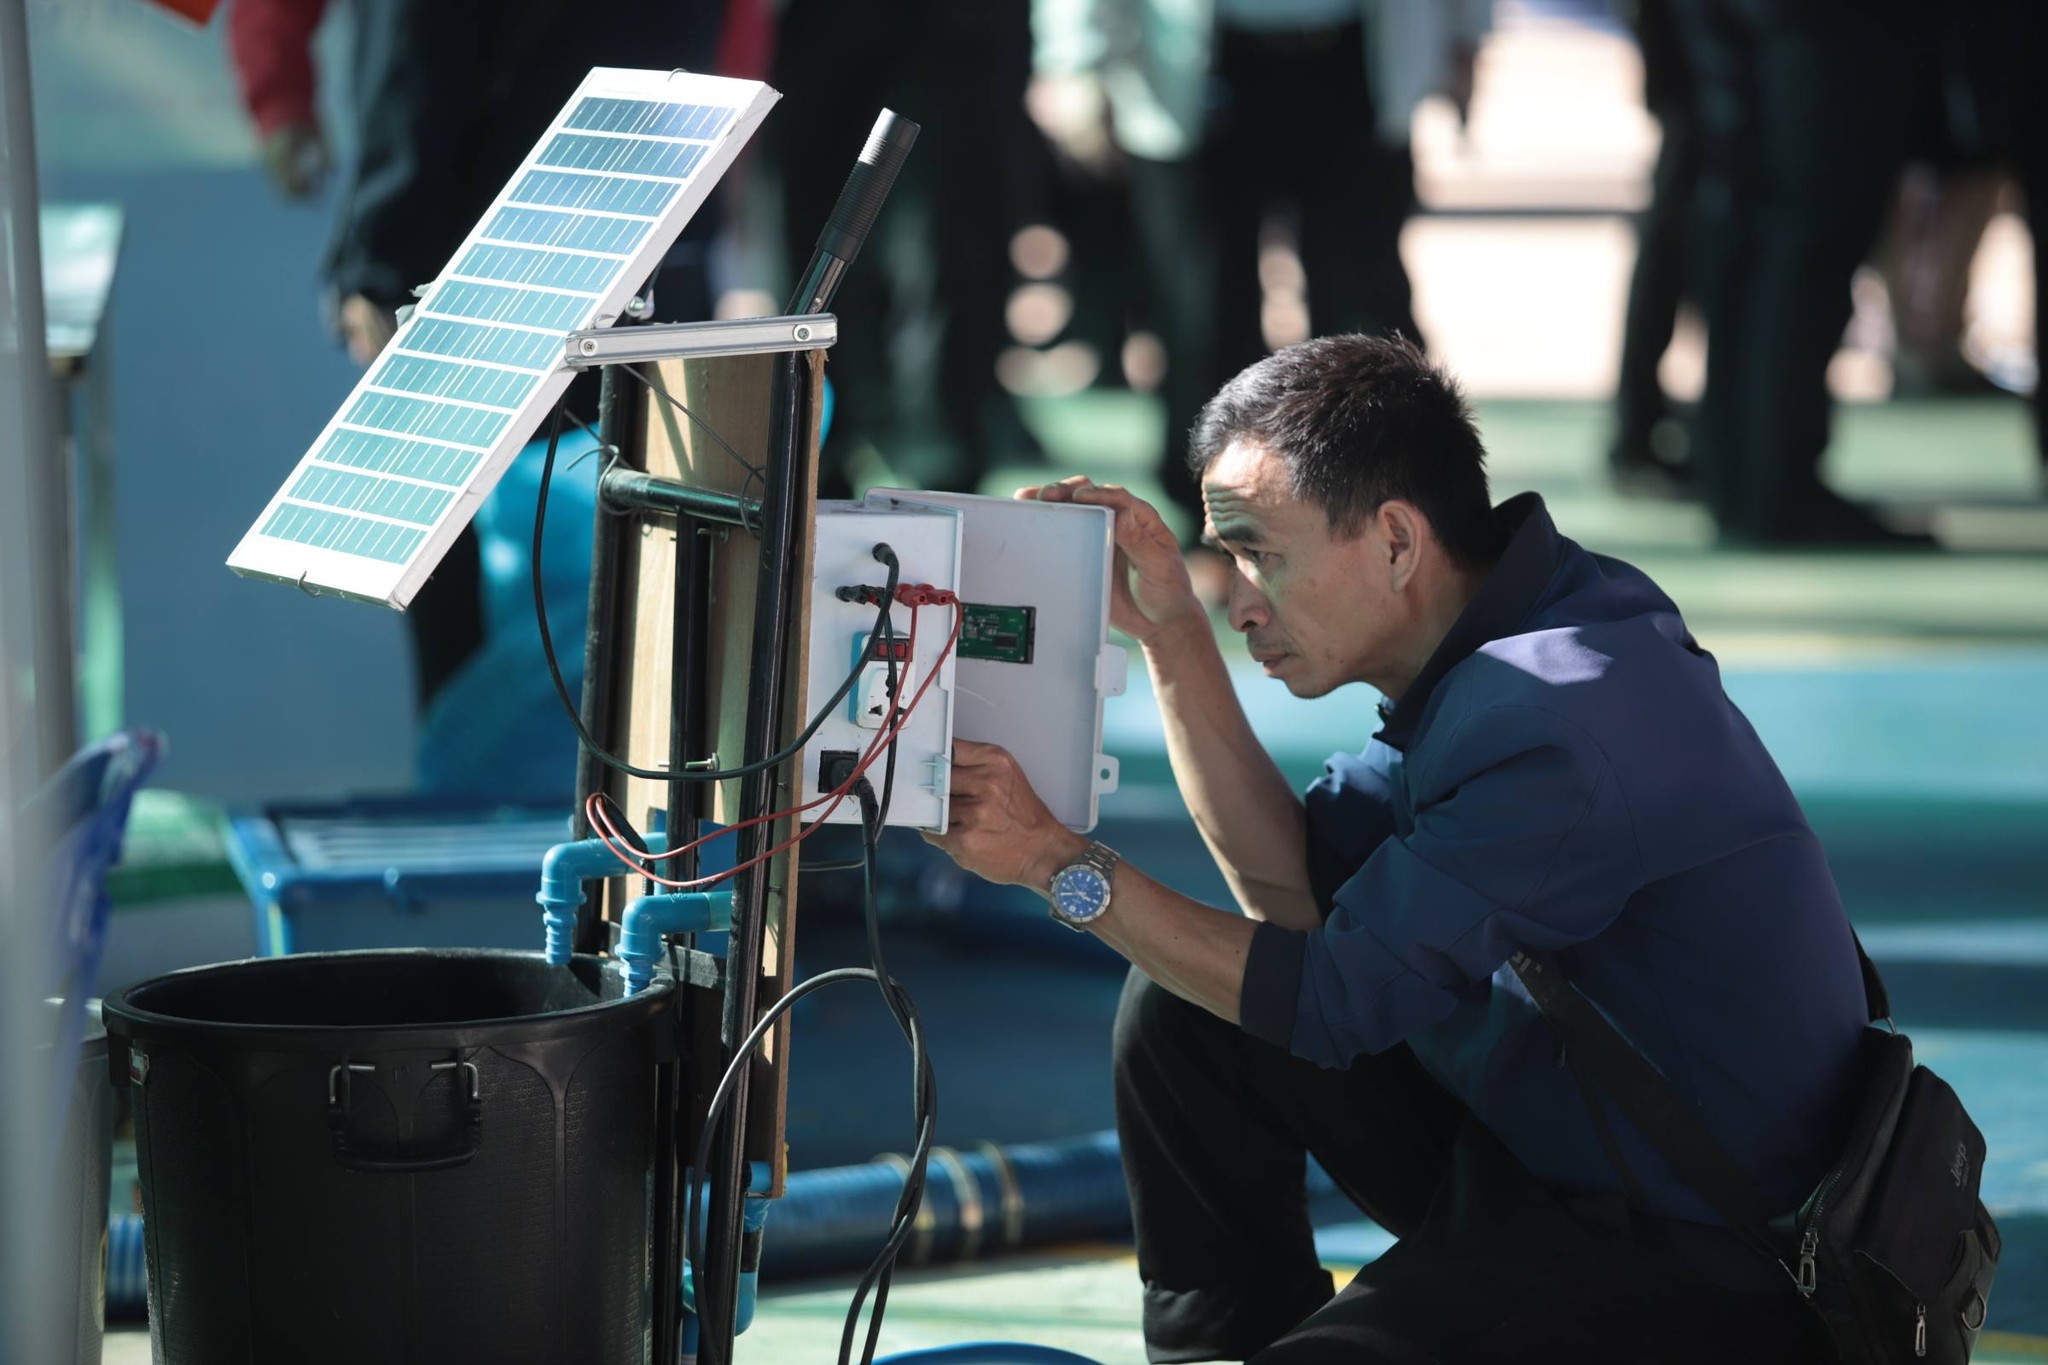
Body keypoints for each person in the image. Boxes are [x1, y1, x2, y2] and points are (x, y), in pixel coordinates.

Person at [928, 334, 1866, 1362]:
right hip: (1562, 1155)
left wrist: (1051, 862)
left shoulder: (1557, 719)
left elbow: (1331, 1003)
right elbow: (1293, 893)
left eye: (1259, 554)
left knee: (1232, 995)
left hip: (1709, 1260)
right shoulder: (1515, 626)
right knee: (1187, 1008)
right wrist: (1170, 633)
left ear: (1393, 541)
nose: (1240, 599)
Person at [1028, 0, 1488, 542]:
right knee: (1202, 317)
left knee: (1366, 316)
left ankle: (1391, 511)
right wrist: (1075, 55)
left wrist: (1467, 34)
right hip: (1199, 63)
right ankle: (1213, 525)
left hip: (1352, 56)